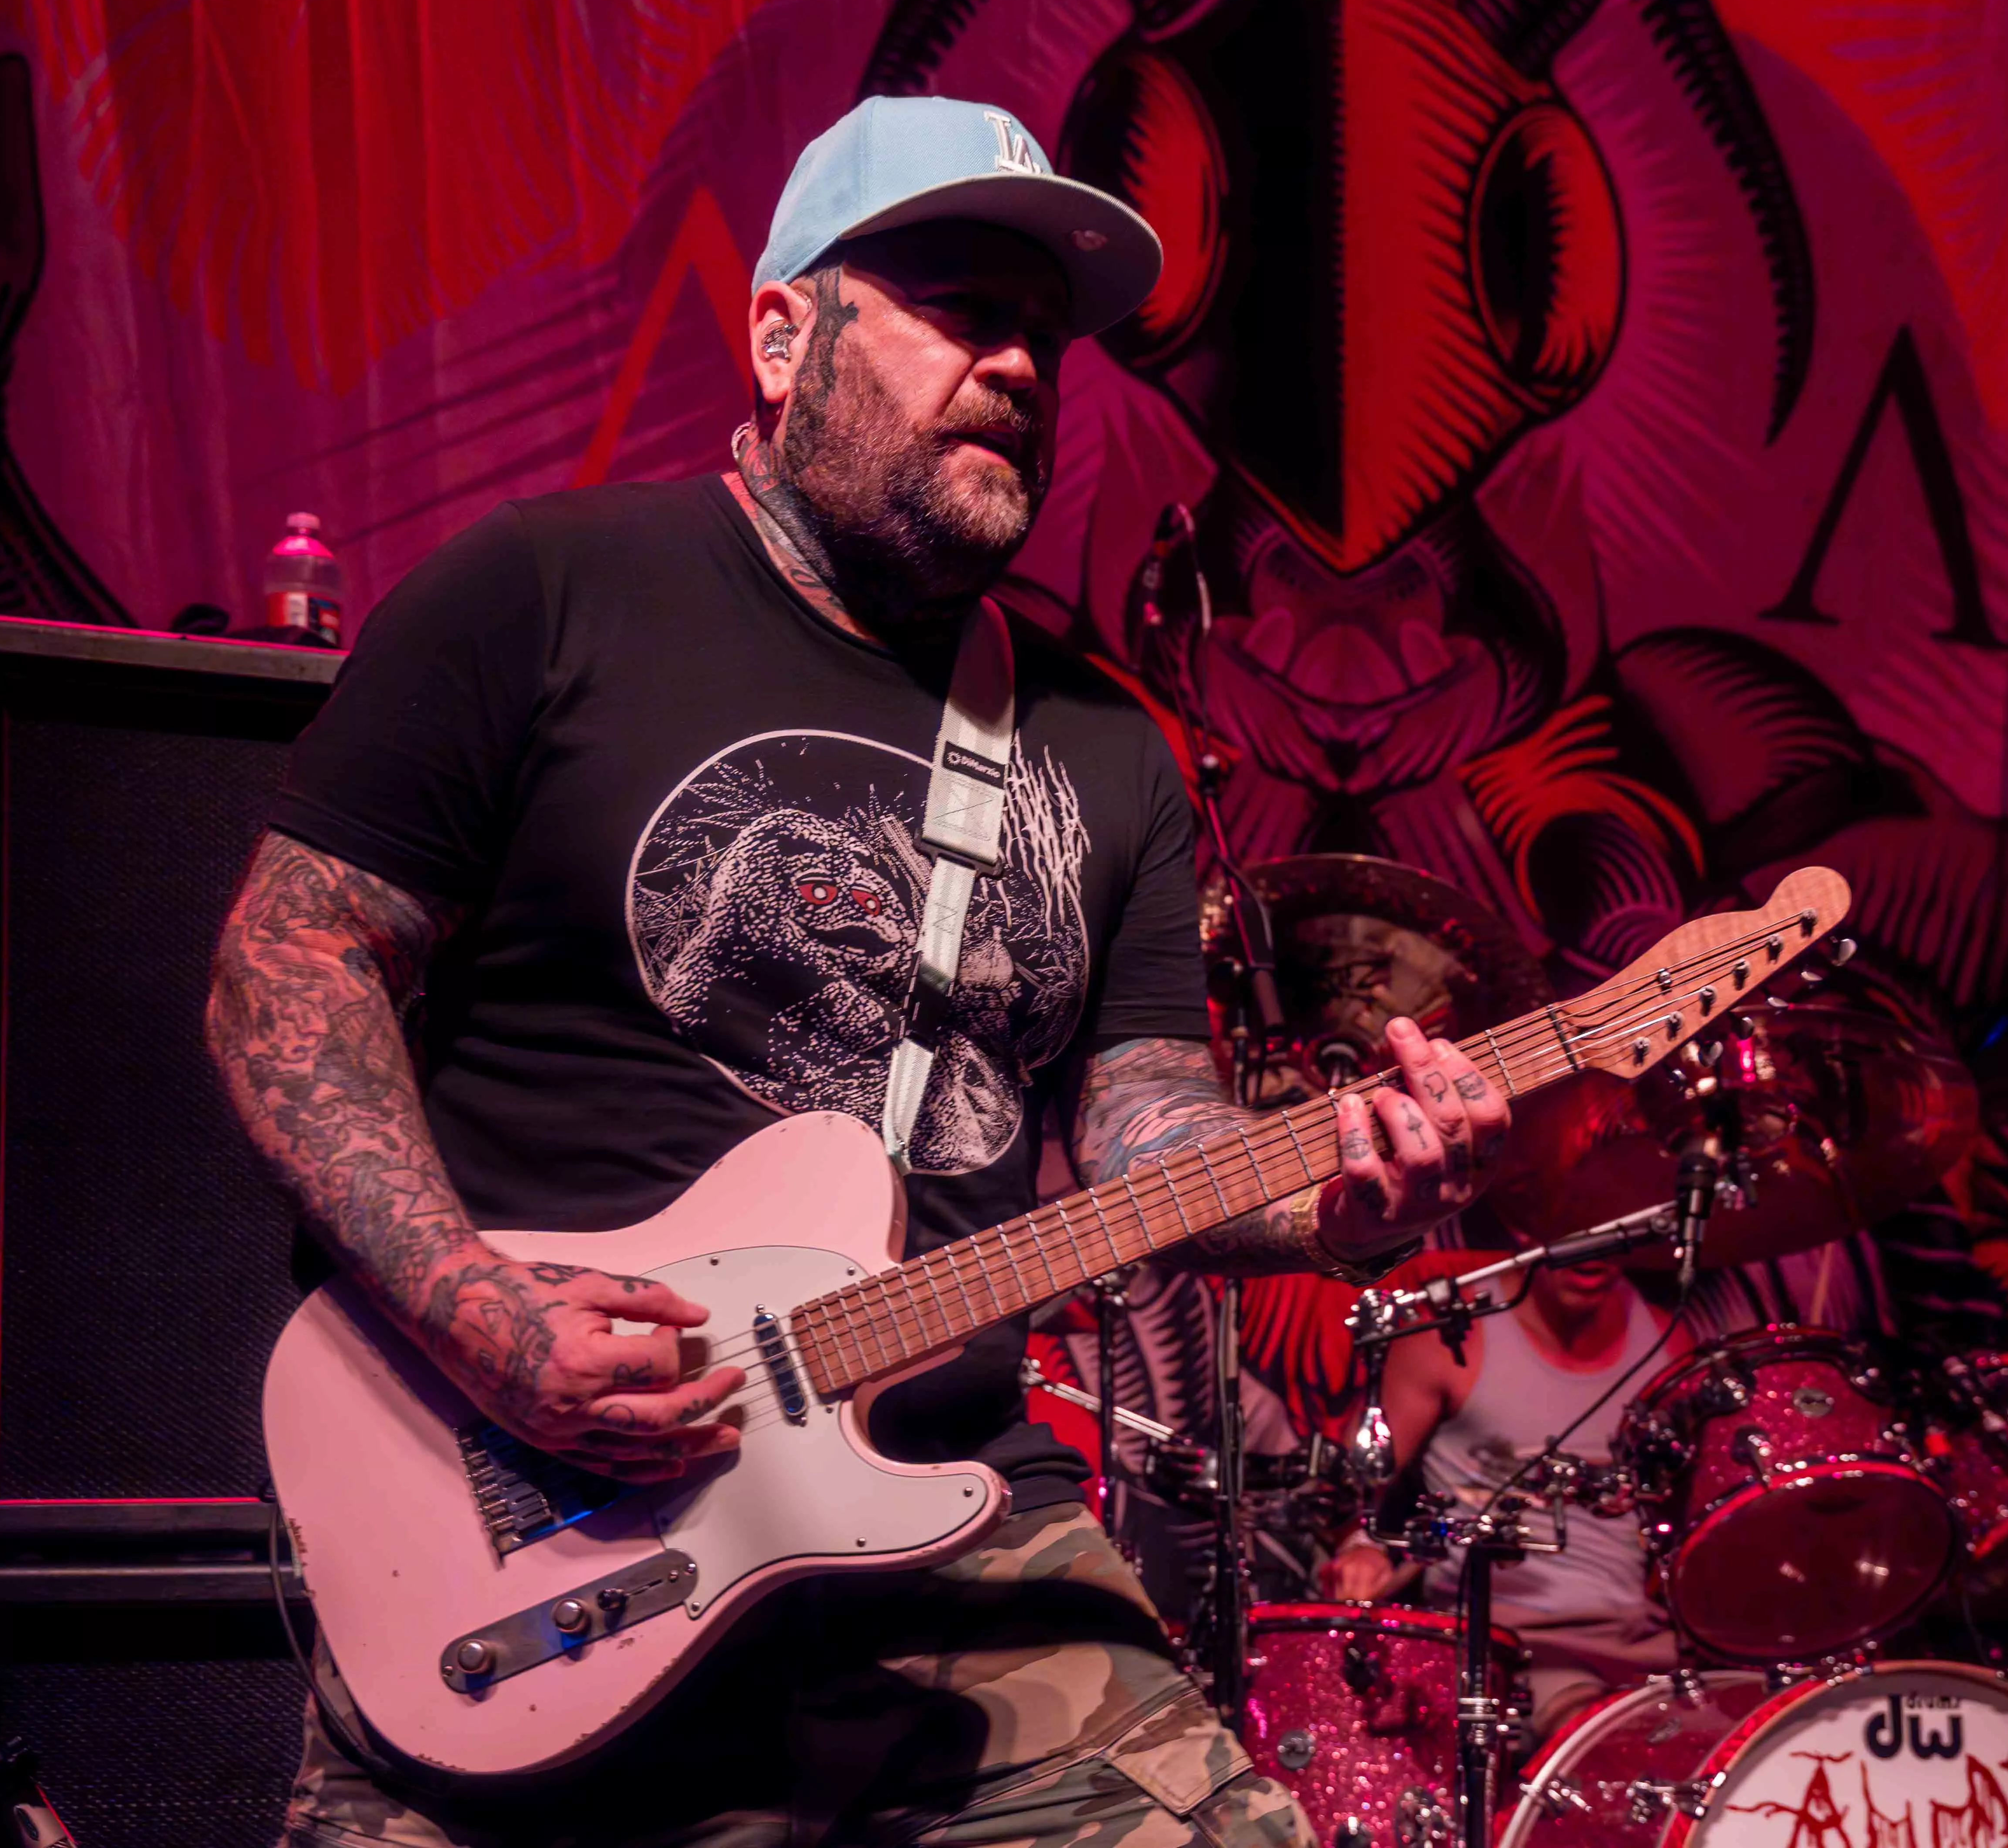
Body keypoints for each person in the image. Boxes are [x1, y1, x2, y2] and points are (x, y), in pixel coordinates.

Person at [207, 94, 1509, 1848]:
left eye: (1041, 336)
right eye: (958, 304)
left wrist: (1331, 1202)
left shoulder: (1107, 753)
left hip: (936, 1499)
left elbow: (1141, 1129)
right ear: (778, 335)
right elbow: (288, 963)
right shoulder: (540, 593)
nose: (1020, 364)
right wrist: (482, 1314)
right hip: (534, 1488)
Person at [1317, 1259, 1676, 1734]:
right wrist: (1359, 1545)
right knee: (1599, 1735)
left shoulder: (1669, 1340)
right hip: (1505, 1640)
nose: (1590, 1253)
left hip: (1638, 1642)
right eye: (1574, 1224)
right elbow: (1346, 1480)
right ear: (1528, 1224)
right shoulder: (1448, 1337)